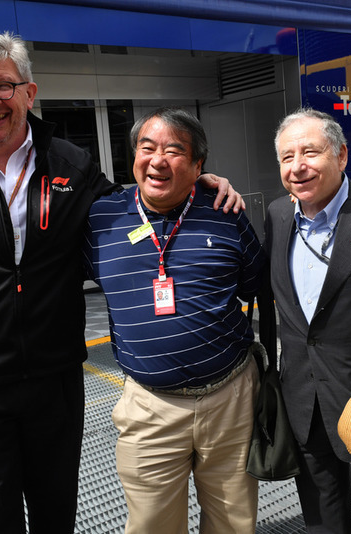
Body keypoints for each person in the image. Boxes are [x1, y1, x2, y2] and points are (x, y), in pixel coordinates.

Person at [0, 33, 240, 534]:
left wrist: (194, 181)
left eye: (4, 86)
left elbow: (132, 206)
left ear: (29, 92)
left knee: (55, 509)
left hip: (55, 377)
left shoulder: (70, 163)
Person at [83, 107, 265, 533]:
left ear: (199, 165)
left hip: (231, 400)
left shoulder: (225, 212)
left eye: (174, 150)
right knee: (151, 525)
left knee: (233, 522)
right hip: (149, 406)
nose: (157, 160)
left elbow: (257, 283)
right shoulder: (100, 219)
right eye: (147, 148)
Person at [262, 108, 351, 534]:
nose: (298, 166)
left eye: (310, 152)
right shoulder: (277, 215)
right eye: (287, 157)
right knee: (322, 517)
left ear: (342, 156)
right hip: (303, 397)